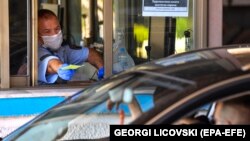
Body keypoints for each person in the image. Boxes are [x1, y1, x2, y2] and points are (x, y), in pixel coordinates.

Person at [38, 9, 104, 84]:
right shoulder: (36, 52)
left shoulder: (63, 49)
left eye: (57, 29)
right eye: (47, 31)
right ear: (38, 36)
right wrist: (60, 68)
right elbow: (50, 64)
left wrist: (102, 68)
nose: (55, 34)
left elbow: (90, 53)